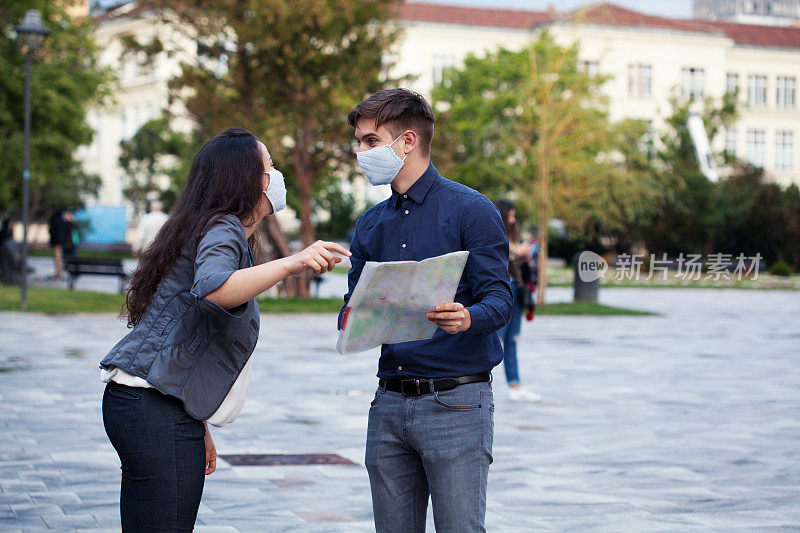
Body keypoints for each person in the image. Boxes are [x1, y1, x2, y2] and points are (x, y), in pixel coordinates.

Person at [99, 127, 350, 532]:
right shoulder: (223, 228)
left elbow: (186, 337)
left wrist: (196, 421)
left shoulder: (209, 226)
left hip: (155, 406)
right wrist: (293, 262)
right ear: (249, 178)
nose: (277, 173)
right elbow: (213, 291)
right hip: (152, 408)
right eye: (270, 164)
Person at [341, 89, 513, 532]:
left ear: (408, 141)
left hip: (457, 404)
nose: (360, 153)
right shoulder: (370, 225)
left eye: (369, 141)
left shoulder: (471, 210)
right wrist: (352, 319)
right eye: (359, 142)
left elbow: (500, 299)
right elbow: (350, 307)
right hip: (389, 403)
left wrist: (467, 317)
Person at [495, 200, 542, 403]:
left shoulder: (513, 235)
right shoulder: (495, 234)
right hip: (502, 292)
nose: (513, 219)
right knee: (495, 339)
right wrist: (519, 249)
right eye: (511, 215)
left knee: (513, 339)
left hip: (516, 290)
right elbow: (505, 248)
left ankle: (515, 386)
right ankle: (473, 382)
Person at [47, 206, 66, 280]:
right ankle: (59, 273)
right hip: (59, 242)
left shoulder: (54, 219)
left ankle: (59, 274)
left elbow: (52, 231)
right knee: (59, 258)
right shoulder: (61, 219)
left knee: (57, 258)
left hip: (56, 242)